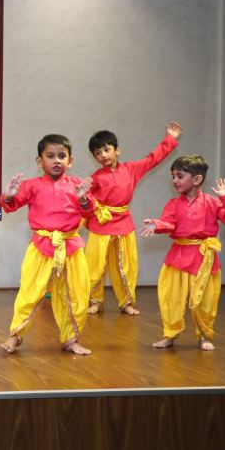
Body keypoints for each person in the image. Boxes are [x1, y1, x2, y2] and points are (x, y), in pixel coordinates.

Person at [1, 134, 95, 355]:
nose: (56, 161)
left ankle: (71, 339)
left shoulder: (77, 185)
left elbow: (89, 212)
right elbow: (10, 206)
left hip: (70, 247)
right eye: (50, 156)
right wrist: (9, 196)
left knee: (76, 294)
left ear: (70, 161)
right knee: (30, 292)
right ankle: (15, 336)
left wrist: (83, 198)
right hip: (41, 247)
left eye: (62, 156)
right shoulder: (32, 185)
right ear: (39, 161)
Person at [139, 154, 225, 351]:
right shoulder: (173, 204)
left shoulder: (212, 202)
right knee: (171, 296)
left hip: (203, 258)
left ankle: (204, 335)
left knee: (204, 300)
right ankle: (170, 334)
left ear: (197, 179)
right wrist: (157, 224)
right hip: (178, 256)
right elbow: (169, 223)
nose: (175, 181)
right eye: (173, 176)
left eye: (179, 176)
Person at [84, 123, 182, 316]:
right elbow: (84, 200)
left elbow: (153, 159)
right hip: (101, 225)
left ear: (117, 150)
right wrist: (87, 199)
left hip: (123, 225)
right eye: (98, 153)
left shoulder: (131, 169)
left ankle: (126, 302)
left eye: (106, 149)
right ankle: (95, 301)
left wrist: (170, 138)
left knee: (126, 265)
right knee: (95, 266)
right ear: (94, 157)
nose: (103, 155)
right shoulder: (94, 178)